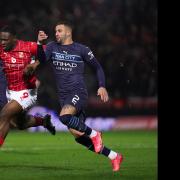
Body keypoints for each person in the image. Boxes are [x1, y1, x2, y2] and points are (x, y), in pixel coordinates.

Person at [37, 20, 123, 172]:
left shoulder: (82, 49)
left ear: (68, 32)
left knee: (64, 117)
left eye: (59, 31)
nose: (56, 33)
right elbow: (41, 60)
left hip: (78, 92)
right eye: (55, 31)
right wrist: (39, 43)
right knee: (78, 136)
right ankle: (114, 156)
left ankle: (95, 133)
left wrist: (102, 85)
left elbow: (97, 67)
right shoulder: (51, 47)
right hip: (63, 96)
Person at [0, 25, 56, 148]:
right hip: (11, 91)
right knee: (20, 124)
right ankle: (43, 121)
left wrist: (35, 64)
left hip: (27, 90)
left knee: (4, 115)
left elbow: (48, 52)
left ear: (14, 39)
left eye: (5, 40)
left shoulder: (27, 47)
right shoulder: (1, 49)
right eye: (1, 40)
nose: (2, 43)